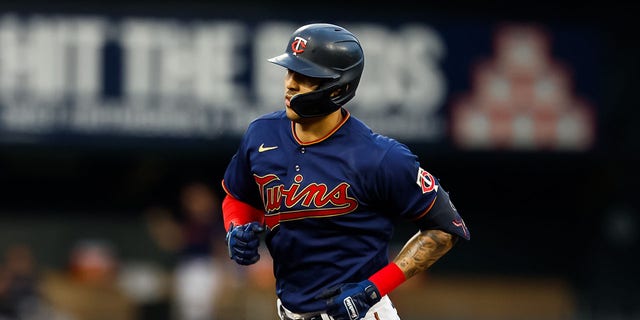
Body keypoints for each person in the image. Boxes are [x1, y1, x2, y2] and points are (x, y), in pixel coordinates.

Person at [221, 22, 470, 320]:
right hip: (288, 311)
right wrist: (236, 227)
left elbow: (446, 228)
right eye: (289, 72)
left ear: (338, 88)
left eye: (304, 77)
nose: (290, 84)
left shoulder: (379, 157)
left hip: (360, 315)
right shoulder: (261, 134)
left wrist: (374, 288)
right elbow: (238, 196)